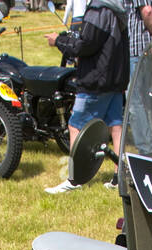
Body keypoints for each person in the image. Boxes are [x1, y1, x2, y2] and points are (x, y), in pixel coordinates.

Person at [44, 0, 129, 193]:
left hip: (96, 80)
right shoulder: (117, 8)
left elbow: (86, 45)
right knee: (115, 126)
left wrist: (58, 41)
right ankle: (119, 177)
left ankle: (74, 179)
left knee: (76, 125)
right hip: (115, 78)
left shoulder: (99, 9)